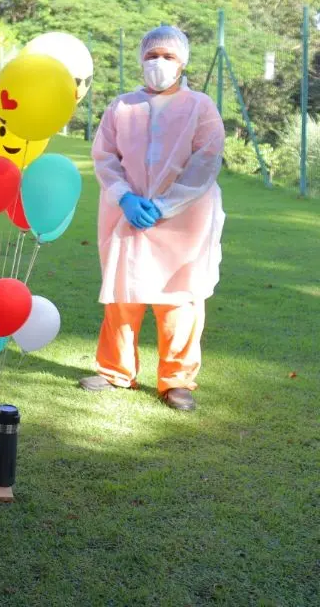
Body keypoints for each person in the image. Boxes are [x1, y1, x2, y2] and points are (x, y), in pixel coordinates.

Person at [81, 26, 224, 412]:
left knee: (179, 297)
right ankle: (115, 371)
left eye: (168, 57)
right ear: (141, 59)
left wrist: (165, 205)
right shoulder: (121, 107)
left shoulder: (200, 107)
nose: (158, 63)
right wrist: (123, 196)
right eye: (152, 56)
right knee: (123, 294)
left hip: (184, 219)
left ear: (183, 62)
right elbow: (105, 157)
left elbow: (205, 161)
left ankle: (177, 381)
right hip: (128, 214)